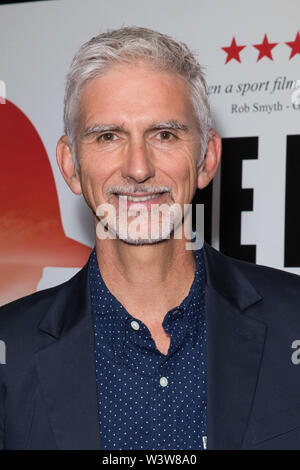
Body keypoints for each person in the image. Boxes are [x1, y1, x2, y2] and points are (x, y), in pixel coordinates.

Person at [1, 26, 300, 451]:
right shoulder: (9, 352)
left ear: (206, 158)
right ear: (70, 165)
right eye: (108, 136)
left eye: (165, 134)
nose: (138, 168)